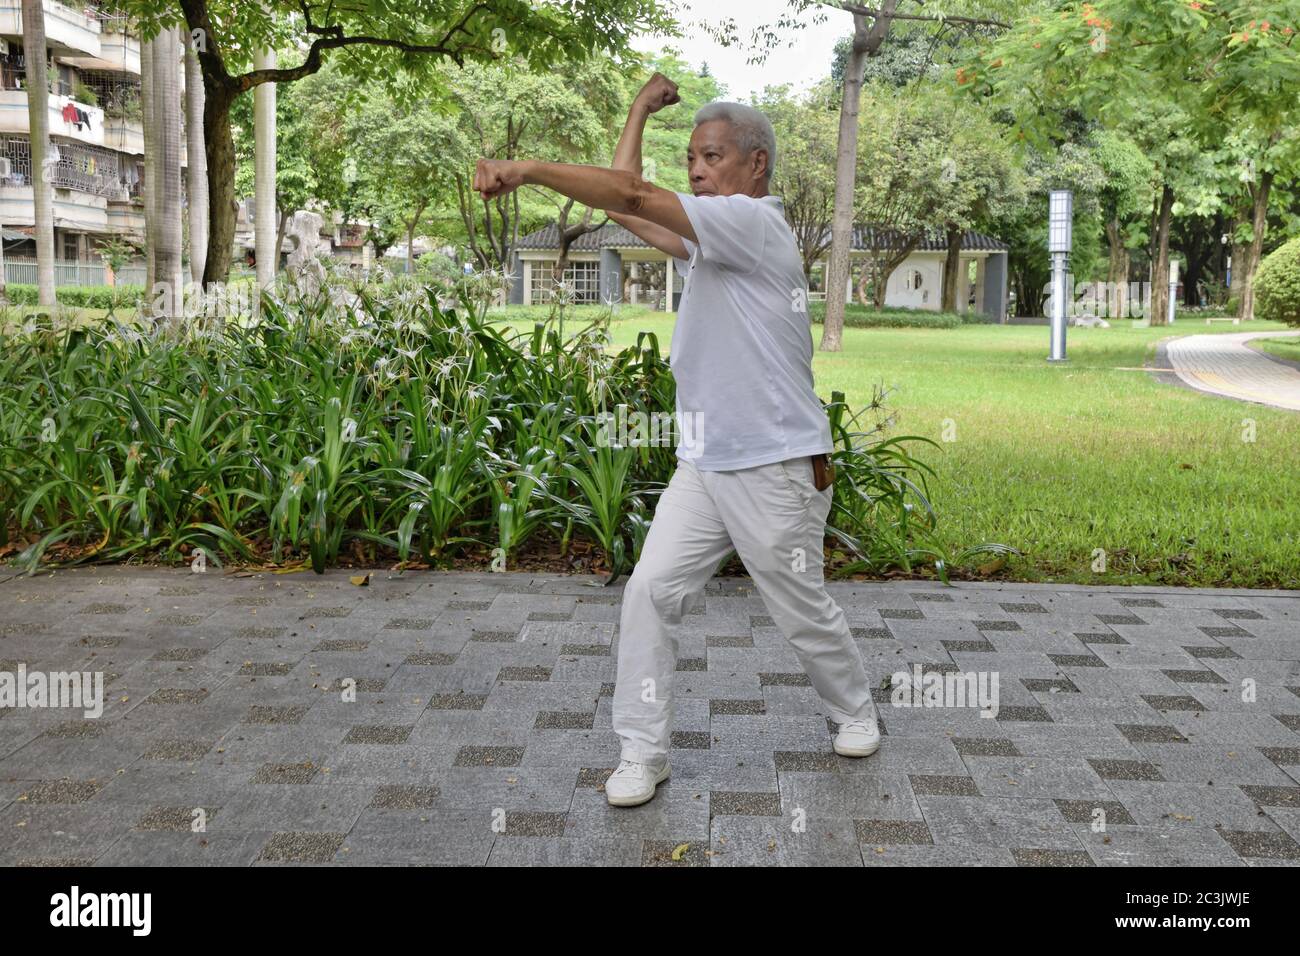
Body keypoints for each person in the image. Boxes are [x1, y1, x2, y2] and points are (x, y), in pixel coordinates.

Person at [473, 73, 881, 810]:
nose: (695, 168)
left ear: (755, 164)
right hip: (706, 462)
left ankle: (854, 708)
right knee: (651, 590)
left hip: (776, 463)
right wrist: (634, 108)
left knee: (799, 608)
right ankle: (642, 750)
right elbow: (632, 205)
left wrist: (525, 169)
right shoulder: (711, 243)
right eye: (691, 156)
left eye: (712, 155)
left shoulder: (754, 227)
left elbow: (628, 196)